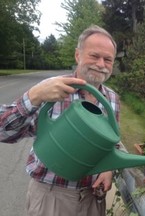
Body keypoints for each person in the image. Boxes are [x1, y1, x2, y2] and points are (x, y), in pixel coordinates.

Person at [0, 25, 120, 216]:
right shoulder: (51, 89)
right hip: (51, 198)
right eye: (94, 56)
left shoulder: (112, 99)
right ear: (77, 56)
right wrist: (34, 96)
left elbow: (111, 144)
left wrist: (108, 170)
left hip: (92, 200)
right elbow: (3, 131)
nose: (101, 64)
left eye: (108, 59)